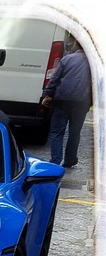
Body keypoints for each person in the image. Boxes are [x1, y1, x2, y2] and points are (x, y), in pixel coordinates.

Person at [42, 39, 92, 168]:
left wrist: (47, 94)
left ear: (76, 44)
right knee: (75, 132)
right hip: (82, 101)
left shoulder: (67, 59)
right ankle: (70, 160)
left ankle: (55, 160)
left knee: (57, 131)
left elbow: (55, 79)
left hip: (62, 100)